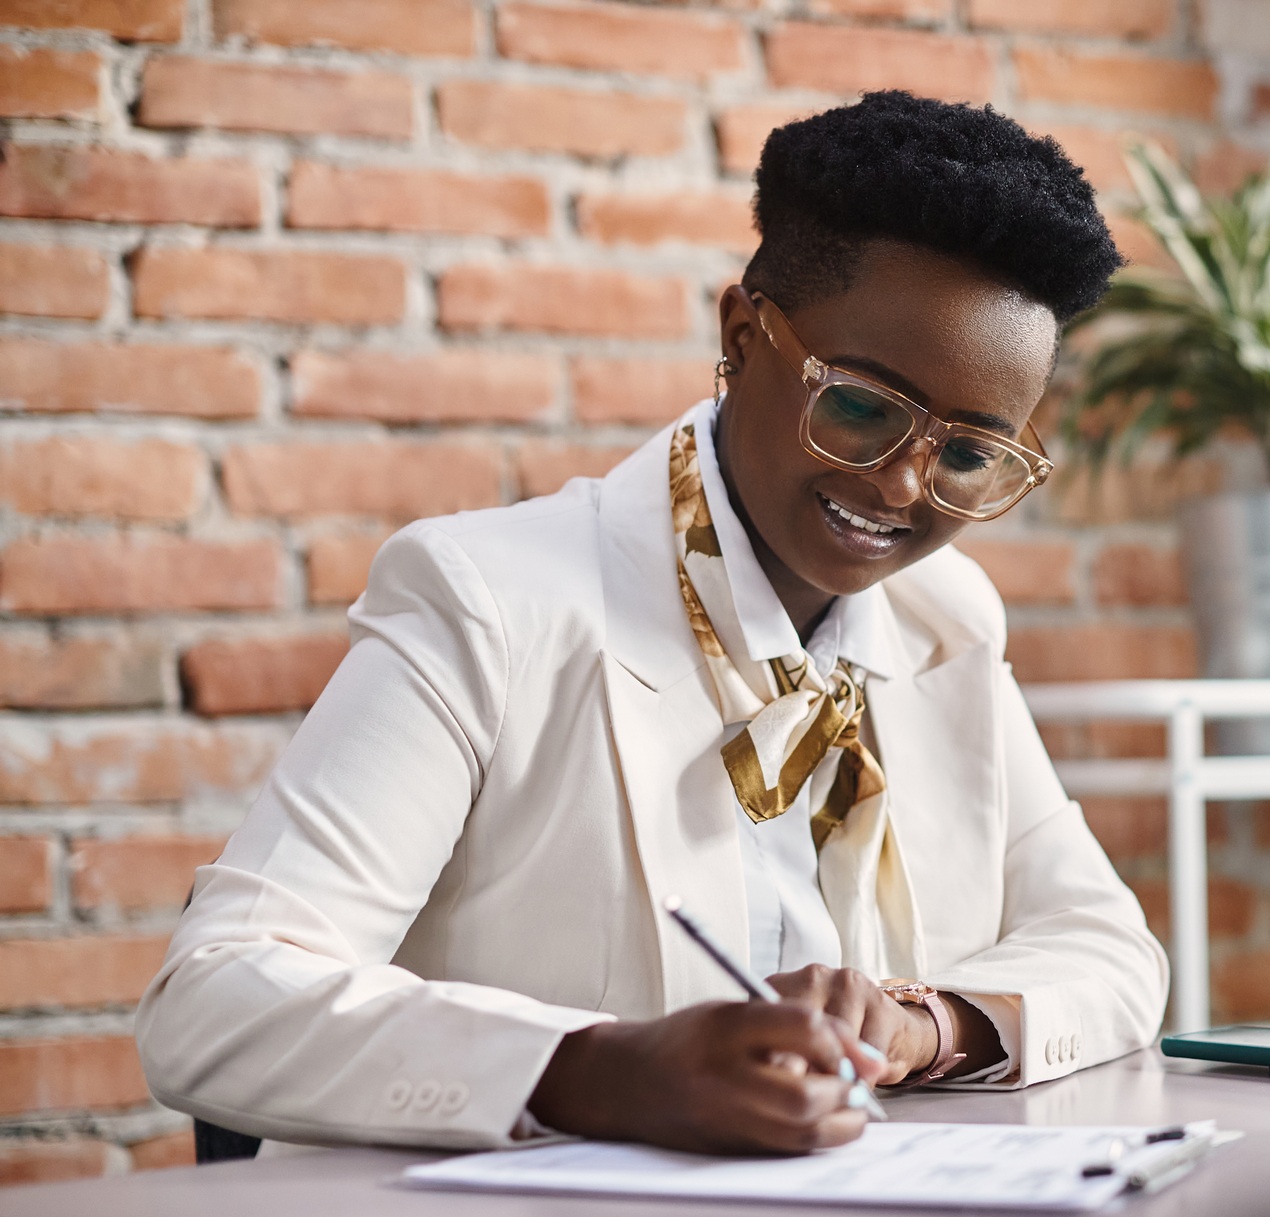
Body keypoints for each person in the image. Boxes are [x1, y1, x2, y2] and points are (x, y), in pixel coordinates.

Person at [136, 92, 1169, 1157]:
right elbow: (212, 1000)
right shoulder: (486, 599)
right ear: (739, 335)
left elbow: (1108, 947)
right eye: (860, 406)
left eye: (966, 454)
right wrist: (593, 1069)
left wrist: (921, 1022)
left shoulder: (940, 622)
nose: (905, 486)